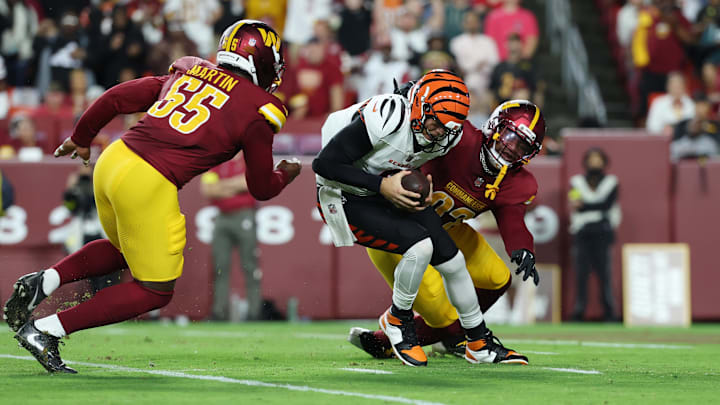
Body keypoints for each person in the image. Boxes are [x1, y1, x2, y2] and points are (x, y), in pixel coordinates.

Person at [3, 20, 302, 374]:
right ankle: (46, 330)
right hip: (149, 179)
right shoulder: (257, 111)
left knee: (124, 253)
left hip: (113, 159)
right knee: (155, 291)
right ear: (263, 60)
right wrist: (287, 173)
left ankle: (44, 282)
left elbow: (116, 97)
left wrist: (82, 137)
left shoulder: (188, 73)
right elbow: (262, 188)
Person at [313, 69, 502, 368]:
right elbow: (324, 165)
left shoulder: (445, 136)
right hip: (343, 191)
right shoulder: (387, 116)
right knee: (421, 247)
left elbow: (412, 164)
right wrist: (382, 185)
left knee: (452, 261)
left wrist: (423, 186)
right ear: (419, 105)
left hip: (385, 184)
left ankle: (477, 341)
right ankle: (398, 320)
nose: (439, 132)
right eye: (435, 123)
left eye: (447, 128)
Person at [347, 99, 545, 364]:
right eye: (510, 135)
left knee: (497, 278)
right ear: (495, 126)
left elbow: (512, 217)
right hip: (398, 230)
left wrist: (522, 246)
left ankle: (430, 338)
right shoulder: (458, 138)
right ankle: (407, 335)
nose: (511, 147)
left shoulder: (517, 182)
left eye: (522, 145)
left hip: (447, 229)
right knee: (441, 314)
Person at [200, 152, 262, 321]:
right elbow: (207, 189)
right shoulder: (218, 159)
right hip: (222, 216)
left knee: (250, 265)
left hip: (244, 215)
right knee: (219, 266)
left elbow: (248, 183)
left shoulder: (248, 159)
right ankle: (219, 311)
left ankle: (254, 312)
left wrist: (221, 186)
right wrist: (234, 186)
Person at [569, 148, 621, 322]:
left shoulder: (611, 182)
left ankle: (609, 311)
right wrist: (590, 206)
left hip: (602, 231)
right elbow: (575, 203)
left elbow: (606, 205)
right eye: (591, 159)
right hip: (583, 231)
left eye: (598, 159)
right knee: (581, 273)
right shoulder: (576, 181)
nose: (594, 162)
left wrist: (585, 206)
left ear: (604, 161)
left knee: (604, 273)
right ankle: (579, 310)